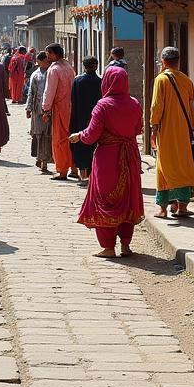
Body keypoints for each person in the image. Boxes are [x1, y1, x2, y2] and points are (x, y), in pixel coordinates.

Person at [70, 66, 144, 258]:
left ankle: (108, 246)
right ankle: (126, 245)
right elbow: (138, 129)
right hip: (131, 157)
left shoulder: (102, 106)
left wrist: (79, 136)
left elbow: (91, 135)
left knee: (105, 199)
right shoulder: (135, 104)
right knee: (127, 199)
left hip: (108, 158)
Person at [150, 46, 194, 218]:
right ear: (178, 61)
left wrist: (153, 127)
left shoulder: (160, 80)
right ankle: (182, 207)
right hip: (183, 131)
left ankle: (163, 208)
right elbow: (191, 107)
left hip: (166, 130)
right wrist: (191, 128)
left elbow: (157, 106)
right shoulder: (186, 80)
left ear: (163, 61)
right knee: (184, 166)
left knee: (164, 166)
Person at [42, 42, 77, 181]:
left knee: (60, 139)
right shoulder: (69, 67)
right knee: (72, 137)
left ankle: (62, 170)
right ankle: (74, 168)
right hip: (71, 106)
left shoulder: (54, 69)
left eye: (49, 53)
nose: (47, 56)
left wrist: (46, 109)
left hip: (59, 107)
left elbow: (49, 91)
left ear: (55, 54)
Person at [70, 57, 103, 180]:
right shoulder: (100, 82)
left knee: (81, 145)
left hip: (79, 118)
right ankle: (92, 175)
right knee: (93, 145)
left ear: (84, 66)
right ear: (96, 66)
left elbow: (72, 102)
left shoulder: (77, 81)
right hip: (96, 119)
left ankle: (82, 174)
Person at [25, 51, 52, 174]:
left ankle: (44, 161)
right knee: (37, 134)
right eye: (45, 60)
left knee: (47, 135)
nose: (47, 62)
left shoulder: (52, 73)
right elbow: (31, 92)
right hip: (37, 109)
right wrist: (28, 108)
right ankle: (39, 157)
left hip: (50, 109)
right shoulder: (35, 75)